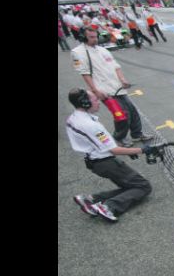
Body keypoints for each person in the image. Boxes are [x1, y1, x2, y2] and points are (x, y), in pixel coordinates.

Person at [66, 88, 154, 222]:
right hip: (106, 163)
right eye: (95, 100)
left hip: (94, 161)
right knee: (143, 186)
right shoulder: (90, 125)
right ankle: (109, 207)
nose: (99, 102)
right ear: (85, 103)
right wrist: (142, 150)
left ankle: (91, 200)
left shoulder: (73, 118)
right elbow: (114, 150)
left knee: (131, 186)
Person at [71, 26, 154, 147]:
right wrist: (95, 90)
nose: (95, 39)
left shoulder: (102, 50)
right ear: (83, 37)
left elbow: (116, 66)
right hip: (104, 91)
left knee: (132, 111)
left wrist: (122, 79)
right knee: (122, 115)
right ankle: (119, 138)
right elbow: (85, 73)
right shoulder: (78, 52)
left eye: (96, 37)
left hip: (118, 87)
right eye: (91, 37)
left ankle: (137, 134)